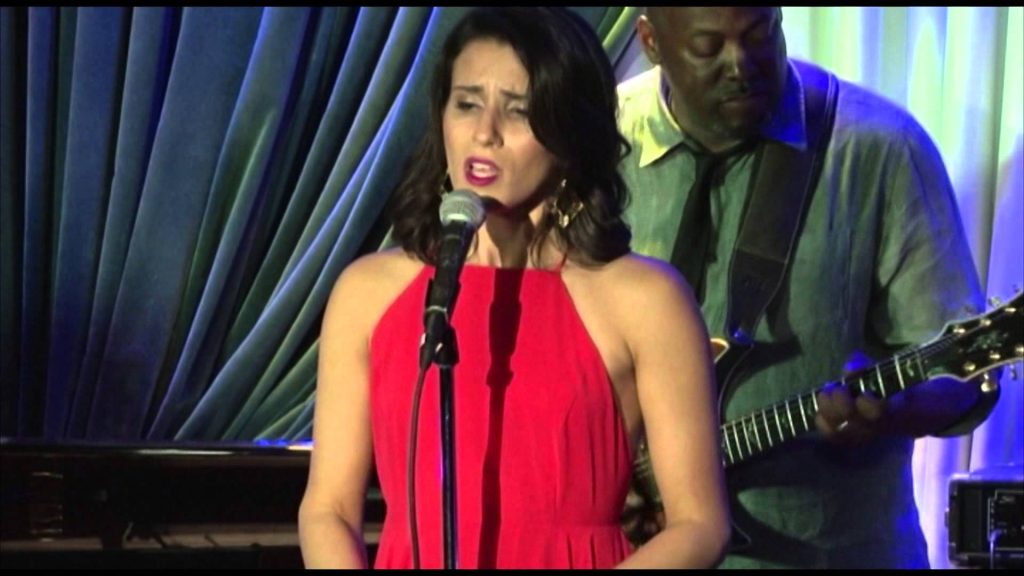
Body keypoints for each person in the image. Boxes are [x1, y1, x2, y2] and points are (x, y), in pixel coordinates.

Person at [297, 7, 730, 569]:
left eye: (518, 111)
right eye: (467, 104)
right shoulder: (368, 293)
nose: (485, 134)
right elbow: (328, 508)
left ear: (569, 134)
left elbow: (699, 524)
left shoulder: (644, 300)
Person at [616, 6, 996, 569]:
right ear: (650, 40)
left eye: (759, 34)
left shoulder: (881, 149)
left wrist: (893, 410)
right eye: (708, 46)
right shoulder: (597, 145)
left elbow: (963, 381)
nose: (740, 65)